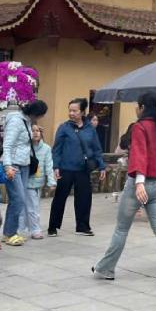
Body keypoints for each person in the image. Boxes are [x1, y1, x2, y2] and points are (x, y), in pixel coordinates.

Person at [93, 91, 156, 287]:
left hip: (138, 184)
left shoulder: (140, 127)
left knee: (121, 229)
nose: (136, 108)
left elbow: (140, 155)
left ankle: (106, 268)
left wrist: (140, 182)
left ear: (142, 108)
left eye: (137, 105)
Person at [49, 98, 105, 237]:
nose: (71, 113)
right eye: (70, 110)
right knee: (60, 198)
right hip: (66, 168)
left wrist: (102, 166)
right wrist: (56, 166)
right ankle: (53, 226)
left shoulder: (90, 129)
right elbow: (56, 149)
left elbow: (97, 149)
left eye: (75, 111)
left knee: (84, 198)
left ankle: (82, 227)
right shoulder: (64, 127)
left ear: (82, 112)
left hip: (83, 169)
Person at [1, 100, 48, 246]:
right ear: (35, 113)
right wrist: (8, 165)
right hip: (14, 165)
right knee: (19, 199)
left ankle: (9, 232)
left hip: (24, 164)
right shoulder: (16, 121)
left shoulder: (26, 121)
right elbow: (7, 145)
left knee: (17, 199)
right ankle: (10, 233)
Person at [22, 125, 55, 239]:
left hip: (38, 183)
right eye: (32, 130)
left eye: (37, 131)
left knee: (32, 206)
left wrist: (51, 181)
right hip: (26, 181)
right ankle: (35, 229)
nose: (35, 133)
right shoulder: (25, 147)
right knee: (32, 207)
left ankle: (23, 228)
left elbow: (49, 165)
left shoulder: (46, 148)